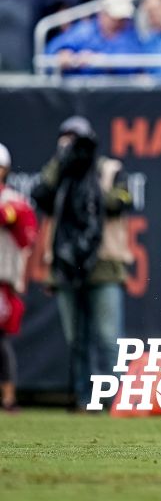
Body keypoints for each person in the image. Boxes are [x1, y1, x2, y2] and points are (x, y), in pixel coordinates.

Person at [31, 117, 134, 410]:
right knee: (76, 339)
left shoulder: (110, 170)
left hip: (104, 265)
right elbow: (40, 196)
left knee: (108, 337)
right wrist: (60, 165)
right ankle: (84, 398)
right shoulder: (59, 172)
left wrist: (88, 186)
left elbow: (123, 201)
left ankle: (118, 400)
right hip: (66, 264)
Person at [0, 143, 37, 412]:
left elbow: (27, 236)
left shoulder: (14, 201)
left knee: (1, 340)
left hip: (2, 279)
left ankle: (8, 397)